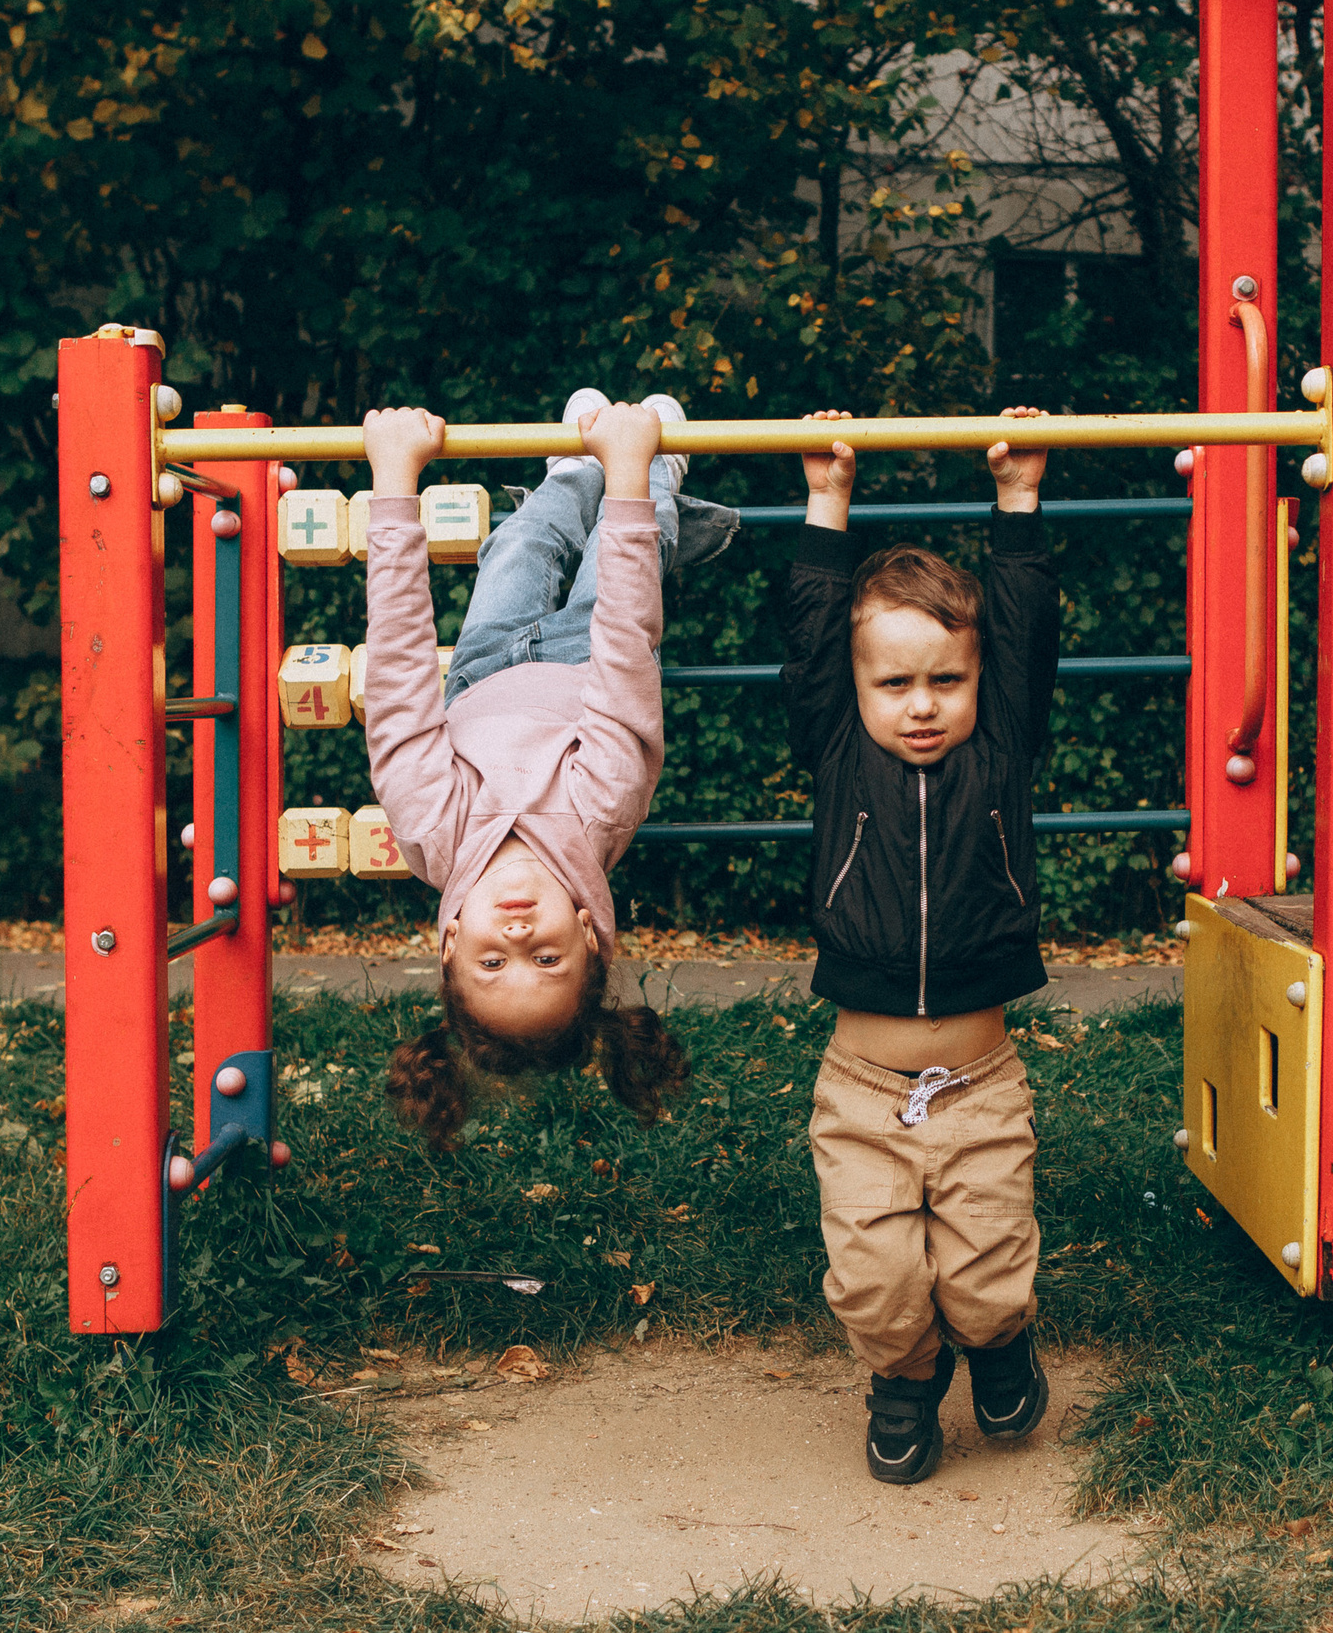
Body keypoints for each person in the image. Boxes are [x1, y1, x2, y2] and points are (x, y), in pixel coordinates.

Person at [781, 405, 1062, 1484]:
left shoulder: (1002, 744)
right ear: (855, 692)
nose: (921, 705)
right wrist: (824, 501)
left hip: (982, 1082)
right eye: (893, 683)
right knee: (873, 1279)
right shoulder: (838, 747)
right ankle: (902, 1379)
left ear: (978, 683)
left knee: (987, 1274)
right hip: (860, 1084)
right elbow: (810, 630)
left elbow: (1025, 628)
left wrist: (1020, 498)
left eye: (945, 679)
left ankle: (996, 1341)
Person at [363, 389, 730, 1144]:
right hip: (592, 662)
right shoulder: (604, 810)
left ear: (451, 939)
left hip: (480, 671)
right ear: (590, 935)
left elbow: (398, 674)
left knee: (519, 544)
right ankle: (659, 476)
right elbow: (627, 642)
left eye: (494, 959)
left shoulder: (434, 827)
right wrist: (630, 477)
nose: (519, 930)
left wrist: (394, 491)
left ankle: (569, 475)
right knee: (626, 553)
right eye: (547, 955)